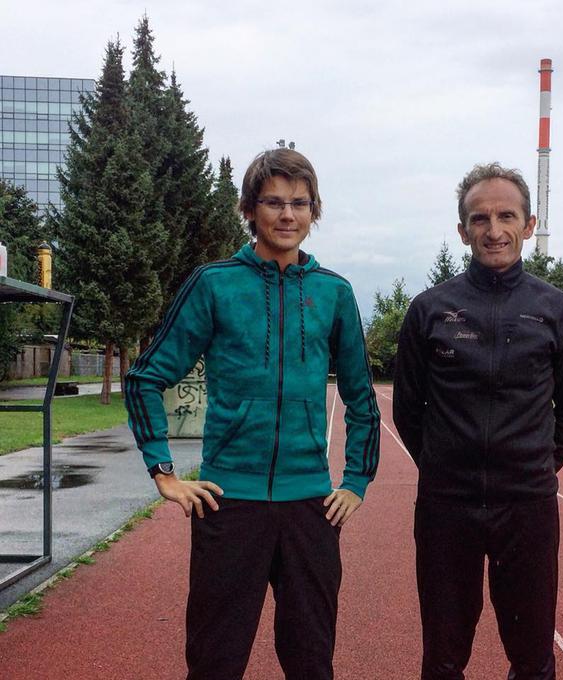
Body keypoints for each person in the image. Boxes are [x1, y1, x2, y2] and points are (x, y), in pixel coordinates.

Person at [125, 148, 380, 680]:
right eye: (273, 202)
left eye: (300, 203)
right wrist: (164, 474)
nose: (287, 215)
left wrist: (356, 480)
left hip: (311, 505)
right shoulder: (214, 284)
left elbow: (361, 398)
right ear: (250, 209)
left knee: (312, 661)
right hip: (228, 503)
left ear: (314, 212)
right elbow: (145, 377)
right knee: (216, 661)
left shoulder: (334, 292)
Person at [393, 162, 563, 680]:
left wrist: (530, 467)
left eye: (507, 216)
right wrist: (446, 465)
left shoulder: (558, 311)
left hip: (526, 507)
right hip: (445, 508)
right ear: (463, 231)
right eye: (480, 218)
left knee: (531, 655)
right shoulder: (429, 310)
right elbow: (409, 411)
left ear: (529, 225)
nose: (494, 229)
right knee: (442, 654)